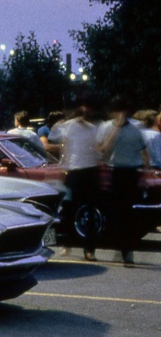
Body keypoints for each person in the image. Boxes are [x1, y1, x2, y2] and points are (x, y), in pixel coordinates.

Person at [97, 97, 149, 265]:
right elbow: (103, 150)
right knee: (115, 214)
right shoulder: (106, 127)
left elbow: (144, 153)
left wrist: (144, 174)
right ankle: (122, 247)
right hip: (113, 172)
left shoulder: (135, 130)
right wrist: (115, 130)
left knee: (127, 214)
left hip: (130, 173)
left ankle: (126, 250)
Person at [50, 103, 102, 262]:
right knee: (70, 209)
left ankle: (88, 248)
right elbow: (55, 135)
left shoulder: (93, 128)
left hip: (88, 170)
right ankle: (68, 242)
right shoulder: (70, 126)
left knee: (88, 211)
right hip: (76, 170)